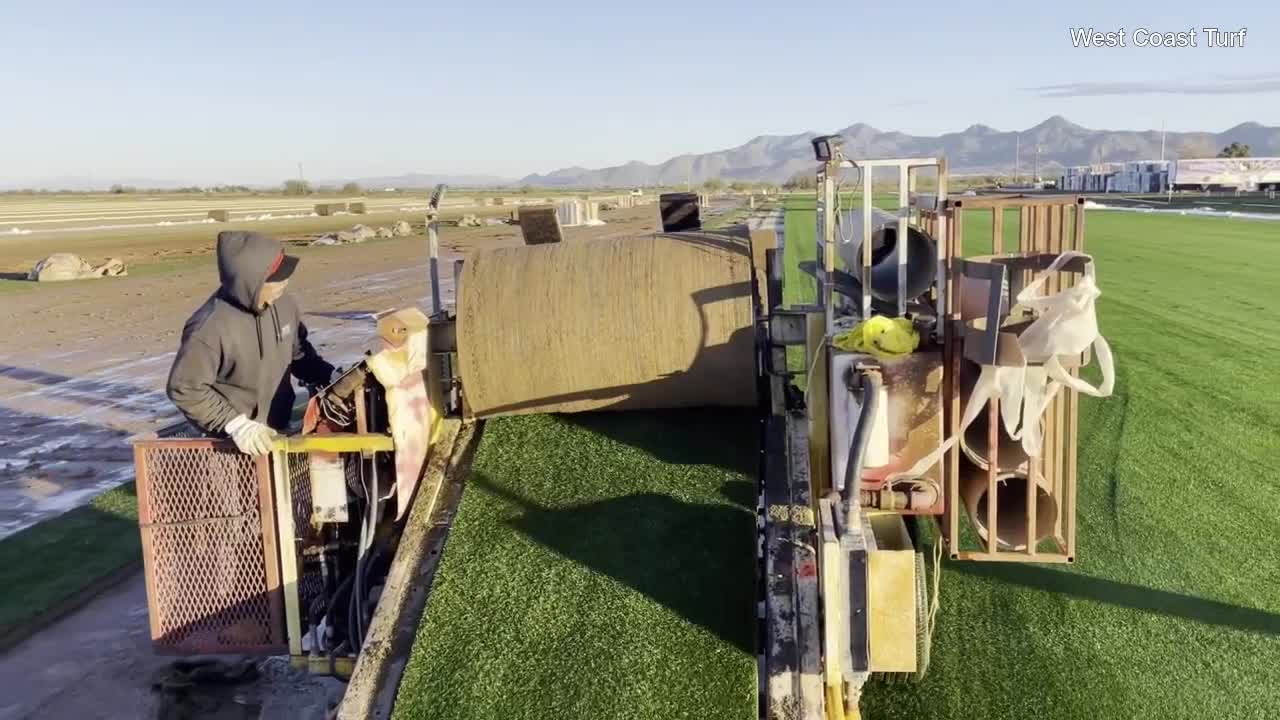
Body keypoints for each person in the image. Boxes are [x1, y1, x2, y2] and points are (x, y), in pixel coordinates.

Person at [167, 231, 335, 456]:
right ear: (251, 282)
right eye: (275, 281)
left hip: (276, 432)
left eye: (285, 278)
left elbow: (298, 355)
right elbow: (185, 388)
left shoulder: (284, 305)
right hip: (230, 444)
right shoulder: (209, 328)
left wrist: (332, 377)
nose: (283, 285)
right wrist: (236, 425)